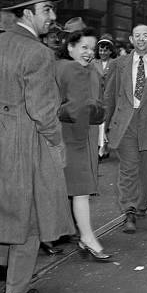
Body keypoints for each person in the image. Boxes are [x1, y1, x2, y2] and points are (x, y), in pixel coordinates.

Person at [0, 0, 75, 293]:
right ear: (27, 13)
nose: (51, 16)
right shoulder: (38, 53)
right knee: (29, 210)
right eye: (46, 9)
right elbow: (43, 111)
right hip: (23, 136)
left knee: (1, 199)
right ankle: (16, 289)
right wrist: (57, 147)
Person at [104, 24, 147, 233]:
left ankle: (142, 204)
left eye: (145, 36)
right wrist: (106, 127)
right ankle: (130, 210)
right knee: (128, 168)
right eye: (137, 36)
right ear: (131, 40)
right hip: (126, 122)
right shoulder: (120, 64)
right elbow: (110, 95)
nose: (141, 39)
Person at [56, 27, 111, 260]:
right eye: (84, 47)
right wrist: (87, 108)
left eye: (92, 48)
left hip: (83, 136)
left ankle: (81, 236)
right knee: (79, 190)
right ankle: (86, 238)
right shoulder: (64, 68)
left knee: (79, 190)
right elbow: (59, 105)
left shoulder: (92, 71)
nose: (89, 52)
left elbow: (97, 106)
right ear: (70, 47)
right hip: (67, 137)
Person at [93, 34, 117, 160]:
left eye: (106, 50)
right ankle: (100, 148)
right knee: (98, 123)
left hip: (109, 97)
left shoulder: (115, 63)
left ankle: (104, 148)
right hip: (96, 97)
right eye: (101, 50)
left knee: (106, 123)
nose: (103, 52)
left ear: (110, 51)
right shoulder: (93, 63)